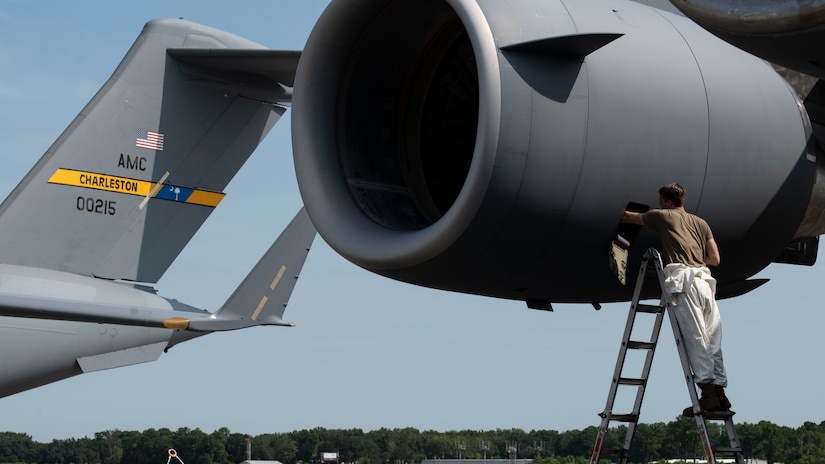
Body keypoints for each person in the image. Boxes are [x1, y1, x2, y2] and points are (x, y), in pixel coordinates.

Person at [622, 182, 730, 416]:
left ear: (669, 202)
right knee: (713, 341)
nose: (659, 204)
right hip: (705, 282)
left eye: (661, 201)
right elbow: (715, 259)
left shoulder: (663, 216)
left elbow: (631, 218)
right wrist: (693, 252)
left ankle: (709, 396)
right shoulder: (701, 223)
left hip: (685, 282)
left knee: (695, 338)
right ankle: (721, 395)